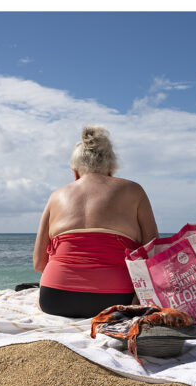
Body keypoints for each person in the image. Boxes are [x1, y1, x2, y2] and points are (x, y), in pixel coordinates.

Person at [32, 125, 158, 318]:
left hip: (54, 300)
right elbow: (154, 253)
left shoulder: (56, 196)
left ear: (75, 172)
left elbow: (39, 264)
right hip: (116, 301)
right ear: (111, 169)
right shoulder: (134, 191)